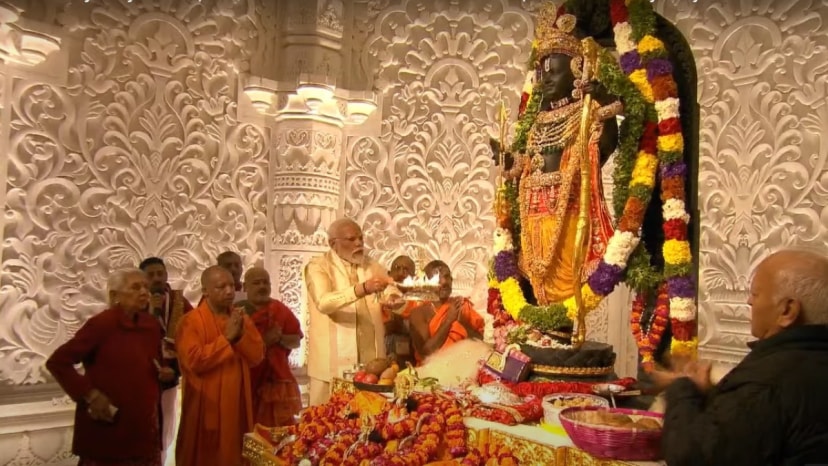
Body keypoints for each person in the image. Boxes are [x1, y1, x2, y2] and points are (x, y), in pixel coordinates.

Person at [492, 8, 619, 306]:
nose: (545, 78)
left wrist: (602, 100)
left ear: (576, 70)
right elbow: (527, 165)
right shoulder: (537, 122)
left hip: (569, 217)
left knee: (568, 285)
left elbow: (605, 146)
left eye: (552, 70)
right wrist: (511, 163)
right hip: (535, 219)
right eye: (541, 71)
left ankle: (562, 326)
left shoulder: (585, 115)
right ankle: (545, 326)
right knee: (536, 280)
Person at [655, 249, 828, 465]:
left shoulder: (767, 382)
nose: (748, 301)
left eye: (755, 294)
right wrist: (710, 395)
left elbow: (691, 456)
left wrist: (683, 388)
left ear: (787, 311)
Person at [46, 269, 175, 466]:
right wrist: (90, 395)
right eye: (135, 287)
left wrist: (165, 372)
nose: (144, 292)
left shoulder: (151, 325)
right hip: (110, 427)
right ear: (115, 296)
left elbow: (155, 363)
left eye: (146, 287)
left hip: (144, 429)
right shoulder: (102, 324)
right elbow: (58, 361)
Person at [175, 266, 264, 466]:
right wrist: (226, 339)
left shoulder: (239, 318)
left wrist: (240, 335)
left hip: (236, 406)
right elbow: (194, 361)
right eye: (221, 287)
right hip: (206, 407)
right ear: (205, 291)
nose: (229, 291)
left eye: (232, 285)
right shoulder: (190, 322)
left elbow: (257, 355)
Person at [304, 218, 393, 405]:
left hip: (371, 368)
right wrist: (362, 289)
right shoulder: (318, 266)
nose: (359, 243)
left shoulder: (371, 265)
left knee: (368, 423)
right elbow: (324, 303)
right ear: (333, 244)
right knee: (325, 425)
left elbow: (391, 291)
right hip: (331, 368)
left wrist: (394, 298)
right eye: (351, 239)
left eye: (361, 238)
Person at [138, 256, 193, 464]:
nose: (157, 278)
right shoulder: (137, 301)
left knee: (165, 428)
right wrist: (152, 312)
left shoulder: (178, 302)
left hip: (170, 375)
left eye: (160, 274)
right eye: (151, 275)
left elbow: (194, 330)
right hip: (141, 378)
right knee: (145, 428)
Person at [241, 267, 303, 426]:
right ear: (245, 287)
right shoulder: (237, 311)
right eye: (256, 283)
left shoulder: (279, 309)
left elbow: (296, 340)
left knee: (276, 429)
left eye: (265, 282)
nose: (262, 286)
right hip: (245, 377)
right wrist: (264, 341)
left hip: (275, 379)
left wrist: (280, 338)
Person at [408, 260, 485, 363]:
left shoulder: (461, 305)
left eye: (447, 276)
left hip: (464, 365)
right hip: (432, 371)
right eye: (437, 278)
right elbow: (425, 353)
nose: (444, 281)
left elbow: (480, 341)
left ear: (452, 280)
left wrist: (464, 324)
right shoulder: (418, 313)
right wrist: (449, 320)